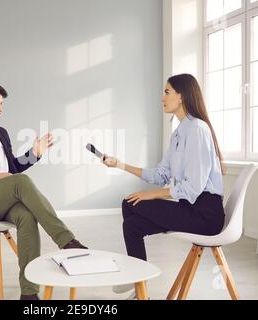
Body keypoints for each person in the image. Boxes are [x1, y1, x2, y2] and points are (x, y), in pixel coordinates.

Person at [0, 82, 87, 300]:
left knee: (27, 216)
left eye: (1, 104)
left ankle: (28, 293)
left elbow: (12, 168)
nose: (0, 108)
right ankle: (66, 241)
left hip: (4, 199)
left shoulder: (1, 133)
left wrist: (34, 153)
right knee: (21, 181)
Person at [102, 74, 225, 294]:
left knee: (131, 204)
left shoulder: (197, 129)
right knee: (131, 223)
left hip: (206, 215)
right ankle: (139, 284)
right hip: (190, 208)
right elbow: (160, 174)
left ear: (181, 96)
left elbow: (192, 188)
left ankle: (137, 277)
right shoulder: (179, 132)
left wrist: (153, 195)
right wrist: (119, 164)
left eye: (167, 92)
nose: (162, 97)